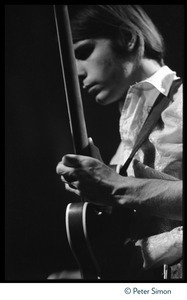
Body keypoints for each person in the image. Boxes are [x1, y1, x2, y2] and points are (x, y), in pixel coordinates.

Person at [49, 5, 183, 280]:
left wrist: (114, 185)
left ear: (127, 38)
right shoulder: (130, 130)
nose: (77, 72)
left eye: (83, 52)